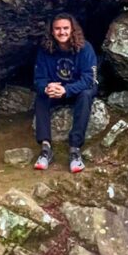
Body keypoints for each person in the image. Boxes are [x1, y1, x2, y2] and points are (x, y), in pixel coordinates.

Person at [32, 12, 98, 173]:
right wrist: (46, 87)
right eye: (58, 29)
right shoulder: (45, 50)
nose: (62, 32)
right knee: (41, 97)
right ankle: (46, 148)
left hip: (78, 89)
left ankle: (75, 149)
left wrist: (66, 90)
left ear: (72, 29)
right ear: (52, 31)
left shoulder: (85, 48)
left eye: (66, 28)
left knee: (86, 95)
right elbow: (39, 78)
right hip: (56, 90)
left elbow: (89, 78)